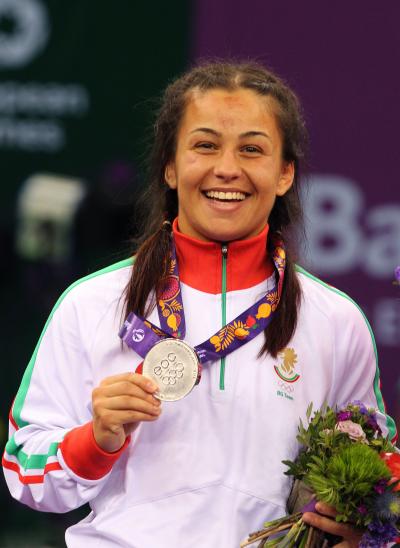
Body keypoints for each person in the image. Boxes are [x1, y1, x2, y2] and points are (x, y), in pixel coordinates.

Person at [3, 61, 396, 547]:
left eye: (252, 149)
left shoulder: (336, 320)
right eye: (205, 145)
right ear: (170, 166)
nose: (226, 168)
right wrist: (96, 438)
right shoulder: (92, 303)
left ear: (284, 173)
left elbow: (381, 487)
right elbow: (23, 469)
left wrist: (359, 525)